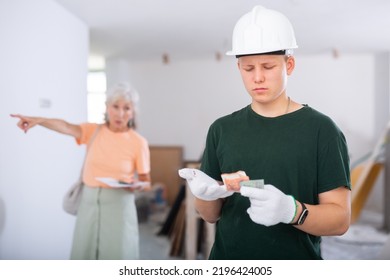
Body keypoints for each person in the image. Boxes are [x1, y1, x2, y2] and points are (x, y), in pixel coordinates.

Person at [179, 5, 351, 260]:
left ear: (289, 64)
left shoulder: (322, 130)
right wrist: (204, 196)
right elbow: (211, 215)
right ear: (239, 68)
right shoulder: (221, 129)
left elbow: (340, 220)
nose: (257, 77)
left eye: (268, 67)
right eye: (248, 69)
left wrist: (292, 211)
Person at [11, 82, 151, 260]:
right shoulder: (93, 131)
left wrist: (137, 186)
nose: (120, 113)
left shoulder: (138, 142)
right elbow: (66, 126)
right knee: (84, 256)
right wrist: (38, 120)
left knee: (117, 257)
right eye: (115, 106)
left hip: (119, 208)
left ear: (133, 112)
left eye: (127, 108)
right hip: (89, 206)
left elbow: (147, 183)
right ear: (107, 107)